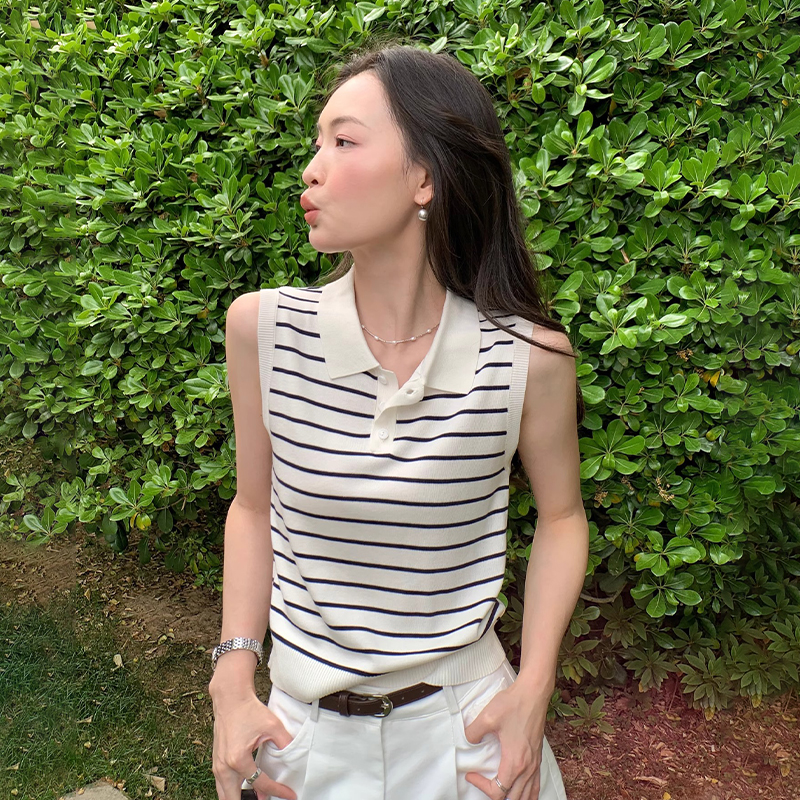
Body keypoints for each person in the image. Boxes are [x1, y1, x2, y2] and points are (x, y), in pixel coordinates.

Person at [210, 40, 589, 800]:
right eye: (317, 142)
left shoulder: (528, 357)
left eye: (344, 141)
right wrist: (232, 681)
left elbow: (563, 517)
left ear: (425, 178)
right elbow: (253, 508)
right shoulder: (263, 330)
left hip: (472, 740)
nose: (311, 169)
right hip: (298, 738)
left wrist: (533, 689)